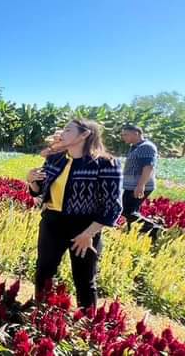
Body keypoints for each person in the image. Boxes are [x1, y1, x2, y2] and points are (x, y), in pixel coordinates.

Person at [27, 119, 123, 309]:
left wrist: (89, 234)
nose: (62, 133)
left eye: (68, 130)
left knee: (84, 278)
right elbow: (40, 191)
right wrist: (31, 181)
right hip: (52, 222)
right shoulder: (55, 159)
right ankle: (41, 313)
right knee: (44, 271)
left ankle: (87, 322)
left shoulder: (105, 163)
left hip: (85, 227)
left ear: (84, 134)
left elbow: (112, 206)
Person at [120, 125, 160, 237]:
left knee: (128, 212)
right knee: (130, 212)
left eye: (126, 134)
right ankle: (132, 234)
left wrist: (141, 185)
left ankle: (154, 229)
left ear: (136, 133)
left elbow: (148, 166)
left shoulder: (146, 147)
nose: (123, 137)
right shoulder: (135, 147)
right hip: (132, 185)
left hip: (138, 185)